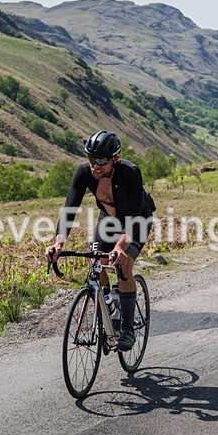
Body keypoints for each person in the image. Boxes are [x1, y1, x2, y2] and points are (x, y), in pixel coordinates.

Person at [47, 131, 156, 351]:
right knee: (95, 261)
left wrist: (119, 248)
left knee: (123, 263)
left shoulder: (130, 172)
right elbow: (69, 210)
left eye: (102, 161)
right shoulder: (84, 173)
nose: (95, 166)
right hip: (109, 220)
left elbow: (134, 220)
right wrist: (58, 243)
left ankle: (127, 329)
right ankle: (108, 305)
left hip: (137, 220)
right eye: (91, 160)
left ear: (114, 159)